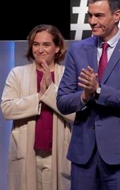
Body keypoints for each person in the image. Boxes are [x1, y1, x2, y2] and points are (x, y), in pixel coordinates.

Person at [56, 0, 120, 190]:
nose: (92, 21)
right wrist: (84, 95)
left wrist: (98, 91)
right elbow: (62, 101)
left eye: (99, 15)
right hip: (84, 153)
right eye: (90, 15)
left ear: (117, 15)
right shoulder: (78, 50)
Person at [1, 24, 74, 190]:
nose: (40, 49)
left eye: (46, 44)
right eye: (36, 44)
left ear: (57, 48)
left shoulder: (68, 75)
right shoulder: (17, 73)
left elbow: (75, 113)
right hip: (26, 152)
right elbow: (7, 108)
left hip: (57, 153)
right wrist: (39, 97)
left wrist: (49, 92)